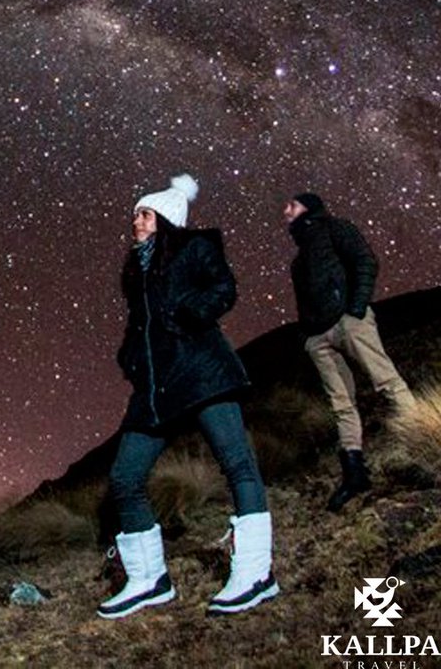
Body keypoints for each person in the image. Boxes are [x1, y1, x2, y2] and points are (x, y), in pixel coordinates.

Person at [98, 174, 278, 620]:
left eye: (142, 214)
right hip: (156, 387)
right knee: (124, 476)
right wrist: (130, 357)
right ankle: (149, 580)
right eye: (136, 215)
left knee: (237, 464)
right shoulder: (135, 268)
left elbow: (223, 290)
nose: (134, 222)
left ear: (163, 218)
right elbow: (138, 324)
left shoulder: (194, 247)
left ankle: (257, 574)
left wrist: (187, 314)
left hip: (201, 371)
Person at [283, 192, 414, 511]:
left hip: (349, 322)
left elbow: (365, 260)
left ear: (309, 208)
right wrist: (308, 335)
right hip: (319, 338)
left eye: (292, 204)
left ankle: (426, 438)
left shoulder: (335, 228)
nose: (285, 210)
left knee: (386, 382)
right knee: (341, 404)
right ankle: (355, 475)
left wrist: (355, 309)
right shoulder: (298, 261)